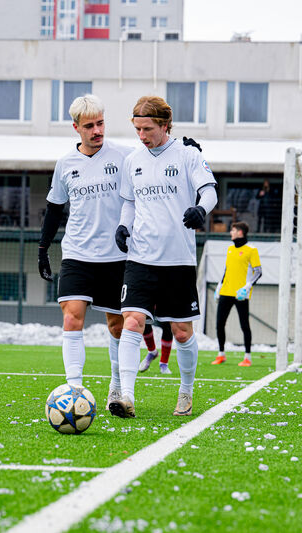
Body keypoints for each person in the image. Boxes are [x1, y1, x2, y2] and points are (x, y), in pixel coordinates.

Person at [111, 95, 217, 418]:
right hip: (140, 257)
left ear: (165, 125)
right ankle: (125, 397)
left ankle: (185, 390)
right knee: (131, 320)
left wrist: (201, 209)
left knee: (182, 331)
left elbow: (210, 191)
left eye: (147, 128)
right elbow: (129, 202)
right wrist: (122, 226)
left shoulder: (187, 155)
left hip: (178, 260)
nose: (141, 136)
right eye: (137, 129)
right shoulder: (133, 160)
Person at [38, 94, 133, 410]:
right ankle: (74, 391)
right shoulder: (66, 164)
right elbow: (54, 209)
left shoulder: (124, 157)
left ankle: (117, 389)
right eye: (90, 125)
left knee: (117, 325)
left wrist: (184, 153)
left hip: (117, 255)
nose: (97, 130)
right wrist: (42, 248)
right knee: (72, 317)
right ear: (76, 128)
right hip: (77, 252)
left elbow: (154, 166)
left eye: (101, 123)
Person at [212, 221, 262, 366]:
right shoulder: (229, 249)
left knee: (244, 325)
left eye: (233, 230)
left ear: (240, 232)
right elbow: (227, 270)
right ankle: (221, 354)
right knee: (219, 324)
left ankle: (247, 357)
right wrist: (219, 287)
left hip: (241, 294)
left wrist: (247, 287)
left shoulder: (251, 250)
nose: (230, 233)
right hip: (226, 292)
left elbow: (258, 272)